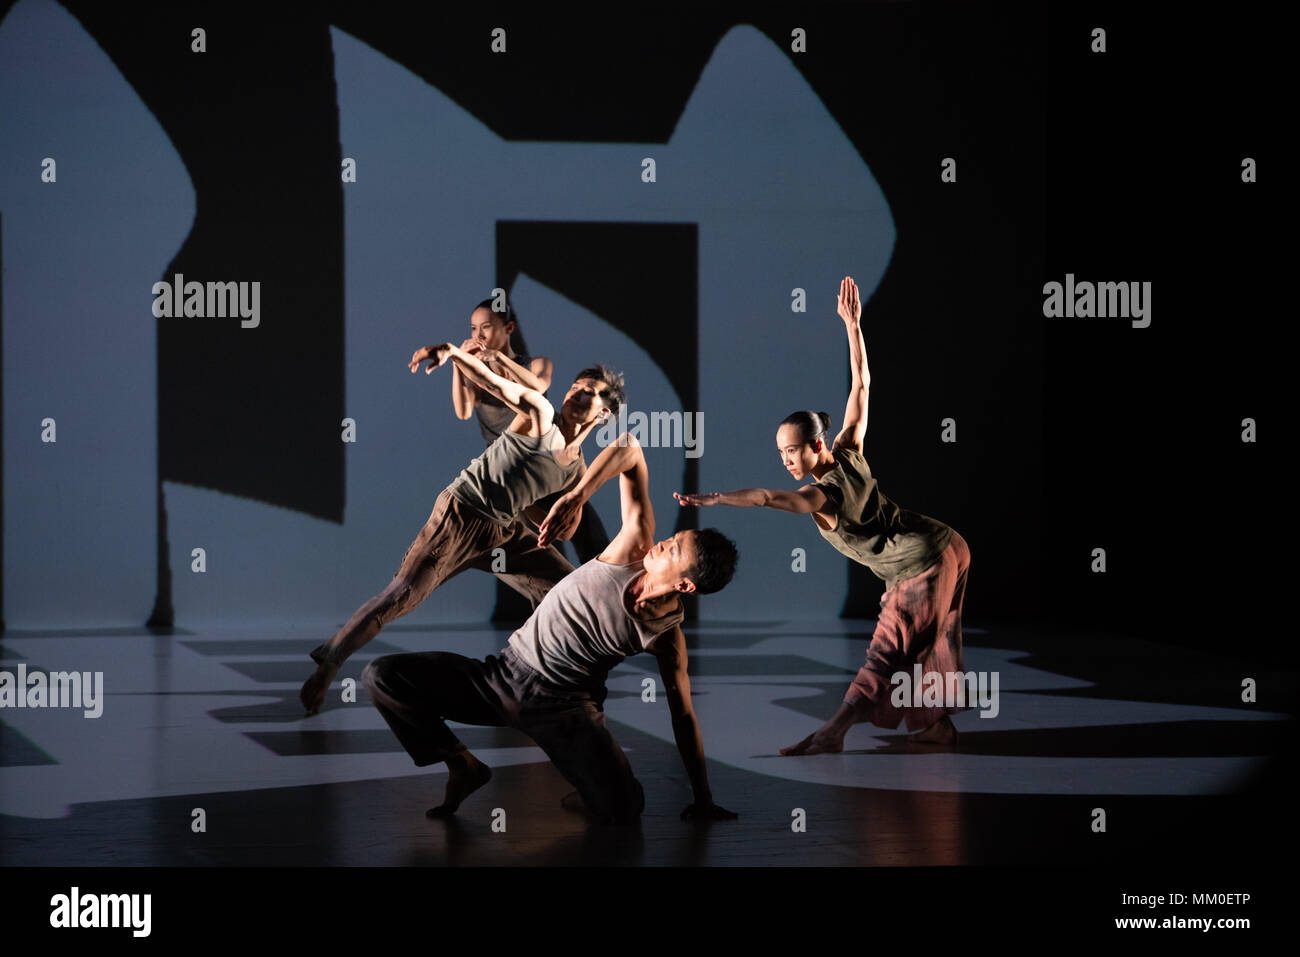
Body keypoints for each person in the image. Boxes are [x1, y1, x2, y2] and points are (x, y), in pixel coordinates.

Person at [362, 432, 740, 824]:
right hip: (502, 678)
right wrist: (577, 496)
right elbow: (630, 446)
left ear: (685, 585)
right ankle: (462, 765)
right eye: (673, 537)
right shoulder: (633, 546)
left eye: (674, 550)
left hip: (566, 708)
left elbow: (684, 716)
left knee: (624, 810)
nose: (662, 544)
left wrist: (703, 797)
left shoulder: (666, 637)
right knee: (382, 676)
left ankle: (588, 782)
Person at [675, 276, 971, 755]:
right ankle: (938, 726)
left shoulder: (822, 497)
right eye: (781, 453)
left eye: (792, 451)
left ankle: (833, 731)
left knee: (889, 645)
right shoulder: (849, 447)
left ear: (815, 445)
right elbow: (862, 382)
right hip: (948, 543)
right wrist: (852, 326)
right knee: (934, 639)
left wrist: (718, 498)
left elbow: (769, 498)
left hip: (922, 561)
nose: (787, 462)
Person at [298, 339, 625, 715]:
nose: (579, 394)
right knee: (402, 596)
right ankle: (330, 662)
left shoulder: (577, 468)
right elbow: (495, 385)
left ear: (604, 415)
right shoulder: (539, 413)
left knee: (563, 588)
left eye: (592, 393)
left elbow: (559, 525)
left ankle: (543, 678)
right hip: (461, 515)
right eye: (577, 387)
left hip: (503, 531)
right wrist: (454, 354)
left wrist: (561, 514)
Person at [451, 296, 613, 597]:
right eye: (473, 329)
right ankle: (562, 605)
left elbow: (535, 390)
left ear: (508, 327)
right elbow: (462, 411)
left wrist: (498, 360)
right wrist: (459, 362)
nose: (478, 336)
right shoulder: (475, 371)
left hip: (548, 456)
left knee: (581, 524)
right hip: (511, 470)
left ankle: (608, 592)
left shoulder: (536, 363)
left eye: (486, 327)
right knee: (539, 545)